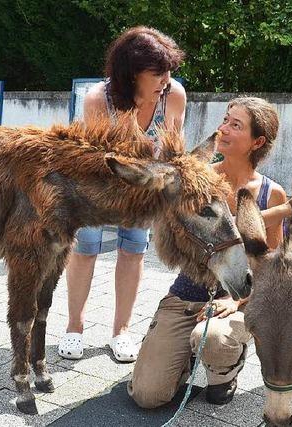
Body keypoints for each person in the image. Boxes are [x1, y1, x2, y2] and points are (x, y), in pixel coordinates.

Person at [128, 97, 292, 408]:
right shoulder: (197, 179)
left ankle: (224, 372)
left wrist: (235, 299)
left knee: (215, 338)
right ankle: (182, 359)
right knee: (147, 396)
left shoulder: (273, 193)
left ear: (257, 141)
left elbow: (271, 263)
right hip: (186, 294)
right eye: (225, 120)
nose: (223, 128)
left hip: (238, 299)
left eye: (236, 125)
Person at [58, 27, 187, 362]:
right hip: (99, 185)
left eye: (168, 71)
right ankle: (74, 327)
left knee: (133, 251)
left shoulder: (173, 96)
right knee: (86, 250)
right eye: (157, 73)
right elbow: (97, 159)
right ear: (132, 74)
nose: (165, 79)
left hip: (144, 189)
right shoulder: (98, 100)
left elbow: (172, 150)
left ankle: (122, 331)